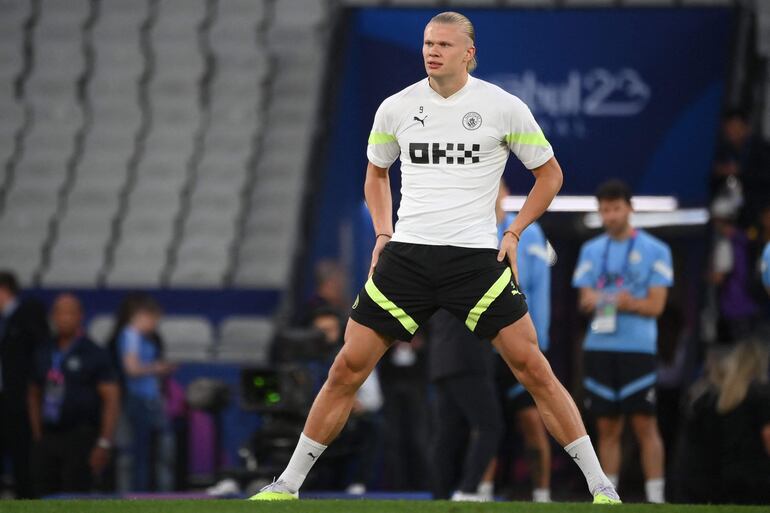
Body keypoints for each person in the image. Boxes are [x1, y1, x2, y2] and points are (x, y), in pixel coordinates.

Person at [252, 11, 619, 504]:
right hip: (408, 258)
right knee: (346, 368)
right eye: (428, 42)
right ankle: (286, 485)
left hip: (474, 261)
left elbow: (550, 175)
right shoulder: (397, 107)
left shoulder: (502, 106)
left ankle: (601, 487)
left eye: (444, 44)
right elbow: (375, 175)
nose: (432, 51)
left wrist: (512, 231)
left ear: (469, 52)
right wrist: (383, 231)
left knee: (534, 368)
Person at [572, 180, 673, 503]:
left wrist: (610, 298)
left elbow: (656, 306)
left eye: (615, 208)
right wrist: (627, 299)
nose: (610, 216)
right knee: (607, 426)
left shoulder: (656, 250)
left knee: (645, 424)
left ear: (630, 208)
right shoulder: (591, 250)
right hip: (599, 347)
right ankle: (607, 495)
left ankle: (656, 498)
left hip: (638, 349)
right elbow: (584, 300)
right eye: (604, 210)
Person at [479, 181, 553, 502]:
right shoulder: (471, 231)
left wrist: (538, 341)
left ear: (504, 192)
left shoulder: (529, 234)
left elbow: (539, 291)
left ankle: (542, 494)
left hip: (521, 345)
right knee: (485, 422)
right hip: (483, 348)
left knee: (531, 422)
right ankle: (480, 492)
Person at [27, 294, 120, 496]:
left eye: (70, 312)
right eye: (60, 312)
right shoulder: (44, 350)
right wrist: (37, 434)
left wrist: (104, 441)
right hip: (49, 434)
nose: (65, 318)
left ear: (80, 316)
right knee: (43, 494)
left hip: (81, 435)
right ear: (53, 316)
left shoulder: (94, 352)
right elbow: (33, 392)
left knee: (76, 495)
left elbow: (112, 398)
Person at [426, 309, 502, 501]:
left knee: (446, 434)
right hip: (469, 360)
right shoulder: (473, 279)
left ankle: (439, 496)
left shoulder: (437, 281)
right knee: (490, 426)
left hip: (441, 361)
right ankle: (468, 490)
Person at [117, 296, 176, 491]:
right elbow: (132, 369)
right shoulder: (131, 335)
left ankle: (157, 492)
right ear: (142, 316)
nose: (154, 325)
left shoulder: (142, 337)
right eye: (153, 320)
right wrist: (157, 368)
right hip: (140, 400)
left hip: (150, 398)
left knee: (156, 452)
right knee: (141, 452)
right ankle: (137, 493)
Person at [0, 270, 49, 498]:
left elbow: (40, 352)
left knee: (23, 459)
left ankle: (26, 502)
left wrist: (35, 389)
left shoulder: (27, 314)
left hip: (20, 401)